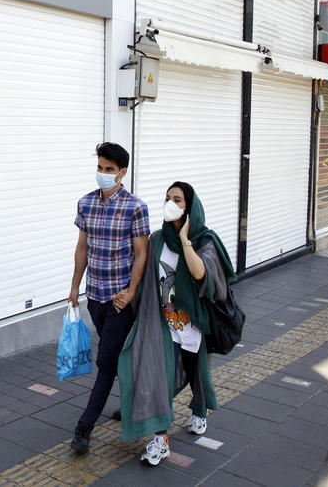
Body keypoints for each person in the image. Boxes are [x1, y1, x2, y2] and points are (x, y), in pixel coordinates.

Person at [116, 181, 236, 466]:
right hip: (163, 325)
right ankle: (160, 439)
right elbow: (145, 274)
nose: (170, 203)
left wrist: (185, 240)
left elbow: (200, 273)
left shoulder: (205, 240)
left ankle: (200, 410)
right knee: (159, 377)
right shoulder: (157, 238)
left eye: (178, 200)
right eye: (167, 198)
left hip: (194, 326)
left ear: (190, 207)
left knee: (197, 374)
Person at [68, 142, 150, 454]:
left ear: (122, 172)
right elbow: (82, 248)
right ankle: (136, 405)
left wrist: (131, 291)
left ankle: (84, 427)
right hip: (95, 296)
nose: (103, 174)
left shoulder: (135, 207)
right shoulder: (86, 203)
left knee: (105, 362)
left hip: (120, 300)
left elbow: (141, 253)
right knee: (117, 359)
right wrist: (75, 287)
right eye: (100, 168)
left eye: (109, 170)